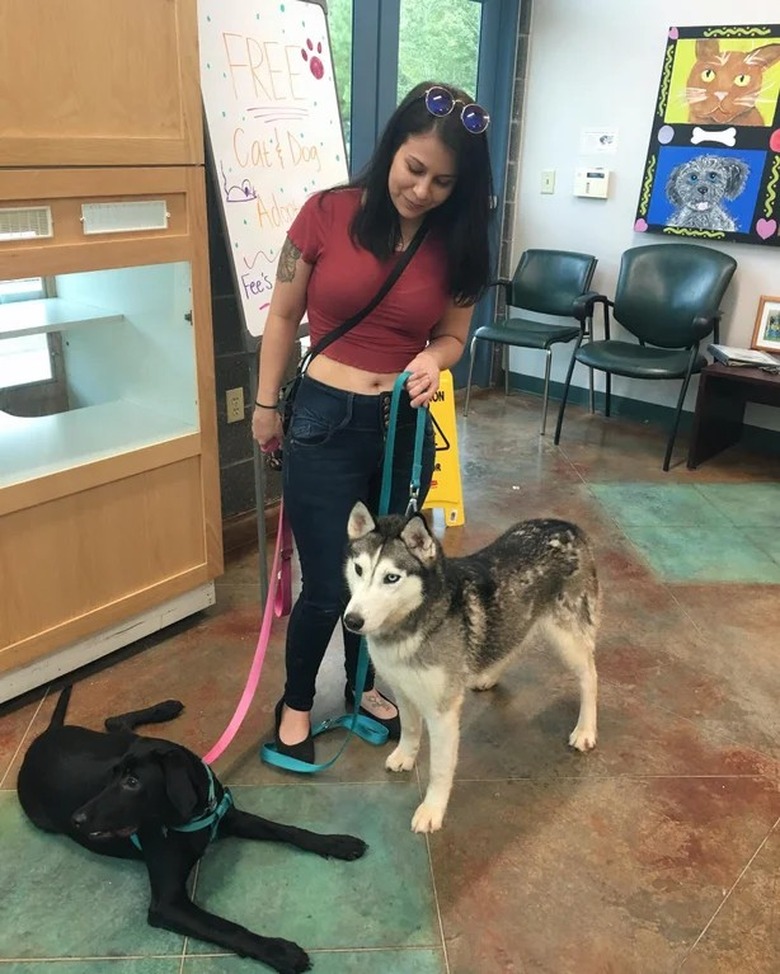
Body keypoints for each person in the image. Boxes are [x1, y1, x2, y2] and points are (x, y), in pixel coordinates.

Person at [252, 81, 494, 764]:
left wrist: (433, 360)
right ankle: (298, 700)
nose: (422, 191)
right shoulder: (325, 214)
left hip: (402, 426)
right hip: (324, 420)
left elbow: (453, 337)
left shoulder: (460, 245)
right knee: (332, 583)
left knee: (388, 575)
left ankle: (366, 686)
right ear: (391, 149)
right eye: (413, 169)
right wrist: (266, 404)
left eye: (443, 182)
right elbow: (280, 316)